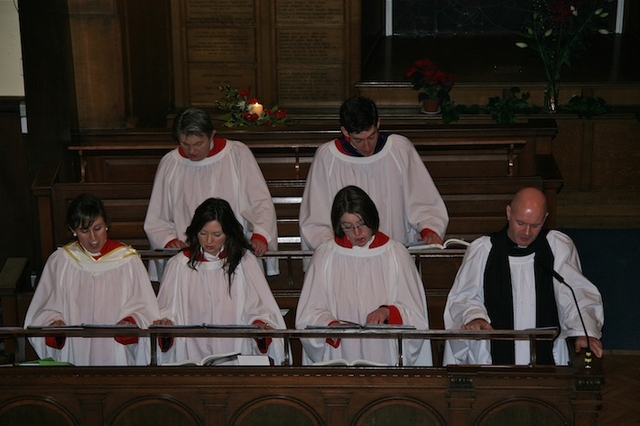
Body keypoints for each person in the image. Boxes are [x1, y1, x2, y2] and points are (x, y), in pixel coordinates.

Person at [443, 187, 604, 366]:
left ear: (545, 218)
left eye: (535, 226)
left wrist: (584, 331)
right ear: (508, 213)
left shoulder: (557, 247)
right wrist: (474, 317)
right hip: (491, 358)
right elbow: (463, 298)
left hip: (548, 356)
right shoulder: (483, 250)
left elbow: (576, 293)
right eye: (520, 223)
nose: (526, 232)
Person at [295, 185, 432, 366]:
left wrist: (387, 312)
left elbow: (416, 315)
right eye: (348, 227)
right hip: (340, 351)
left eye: (361, 224)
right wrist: (331, 325)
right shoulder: (325, 255)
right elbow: (308, 315)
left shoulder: (395, 253)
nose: (357, 233)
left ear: (372, 218)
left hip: (384, 352)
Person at [299, 96, 449, 255]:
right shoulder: (327, 157)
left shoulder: (399, 149)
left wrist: (430, 229)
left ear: (378, 124)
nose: (367, 147)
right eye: (358, 140)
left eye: (371, 136)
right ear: (344, 131)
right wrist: (338, 249)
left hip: (394, 252)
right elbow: (316, 217)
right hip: (346, 257)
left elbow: (423, 199)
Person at [24, 194, 160, 366]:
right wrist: (54, 323)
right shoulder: (62, 261)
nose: (93, 239)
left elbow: (145, 308)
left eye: (98, 228)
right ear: (73, 230)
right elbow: (42, 309)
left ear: (107, 225)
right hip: (75, 347)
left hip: (115, 348)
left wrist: (131, 321)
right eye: (84, 230)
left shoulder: (127, 260)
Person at [144, 107, 278, 280]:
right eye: (185, 143)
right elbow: (156, 217)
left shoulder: (237, 154)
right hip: (189, 256)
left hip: (233, 253)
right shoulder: (171, 164)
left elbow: (259, 201)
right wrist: (169, 241)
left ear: (212, 134)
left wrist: (261, 234)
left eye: (198, 144)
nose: (191, 151)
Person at [153, 198, 288, 365]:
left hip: (235, 355)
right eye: (203, 233)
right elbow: (167, 310)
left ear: (228, 233)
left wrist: (259, 325)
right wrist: (166, 324)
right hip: (190, 353)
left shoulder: (244, 262)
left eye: (217, 234)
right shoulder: (179, 264)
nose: (209, 241)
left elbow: (260, 307)